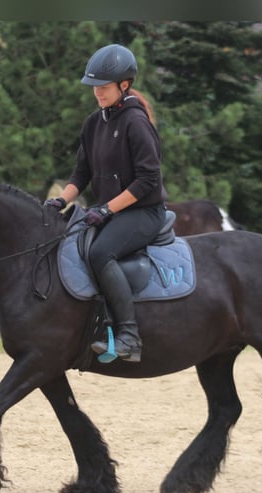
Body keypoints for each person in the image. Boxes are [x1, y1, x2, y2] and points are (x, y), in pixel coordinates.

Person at [45, 43, 168, 363]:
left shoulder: (136, 122)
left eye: (103, 87)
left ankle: (128, 336)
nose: (97, 93)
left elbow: (148, 181)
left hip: (144, 211)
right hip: (112, 212)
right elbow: (81, 173)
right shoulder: (93, 123)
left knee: (101, 252)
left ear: (124, 85)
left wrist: (107, 209)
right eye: (94, 87)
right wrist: (60, 200)